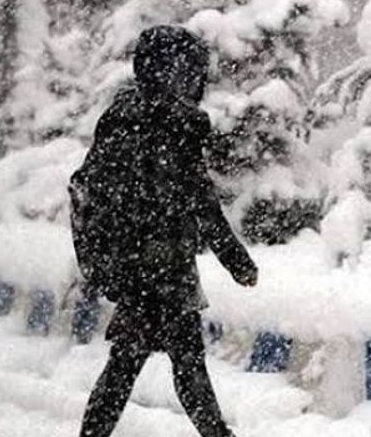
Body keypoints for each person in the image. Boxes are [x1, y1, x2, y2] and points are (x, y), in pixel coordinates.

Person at [74, 25, 258, 437]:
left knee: (126, 363)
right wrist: (237, 260)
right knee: (186, 361)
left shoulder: (118, 116)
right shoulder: (179, 125)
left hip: (128, 265)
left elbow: (92, 188)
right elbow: (201, 202)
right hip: (165, 266)